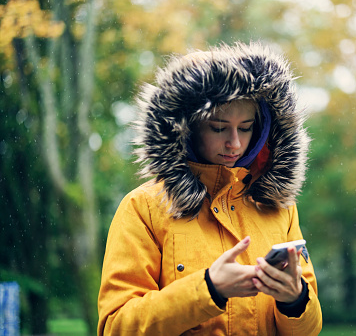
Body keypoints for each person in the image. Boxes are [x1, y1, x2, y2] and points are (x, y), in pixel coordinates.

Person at [97, 42, 322, 335]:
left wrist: (295, 299)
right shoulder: (143, 208)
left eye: (246, 127)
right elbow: (116, 327)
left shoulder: (279, 207)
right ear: (187, 127)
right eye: (219, 128)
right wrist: (208, 289)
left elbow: (312, 327)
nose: (235, 143)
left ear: (263, 128)